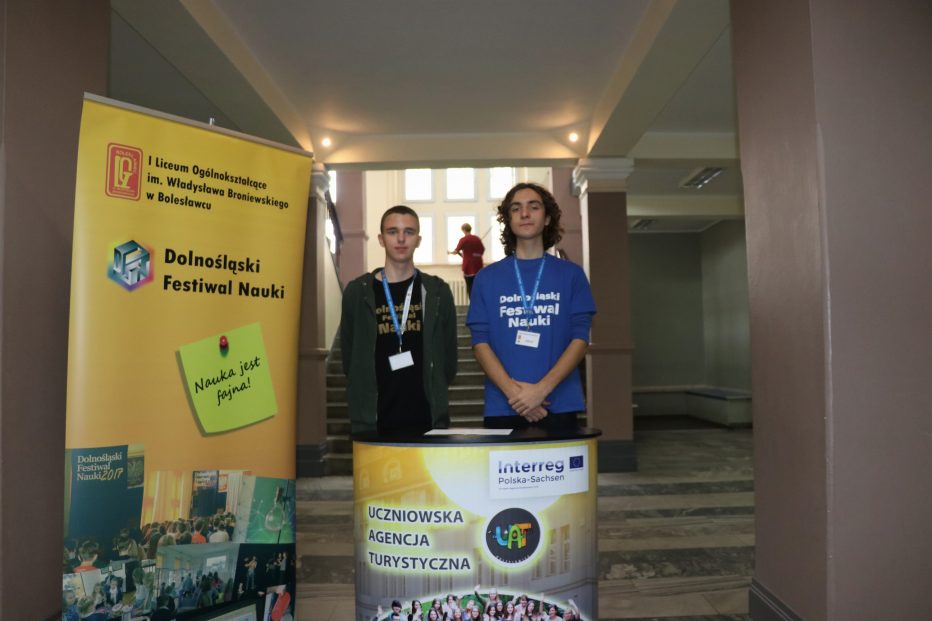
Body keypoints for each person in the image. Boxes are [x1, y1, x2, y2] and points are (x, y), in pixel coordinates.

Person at [466, 183, 596, 428]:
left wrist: (540, 391)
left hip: (559, 403)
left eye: (533, 207)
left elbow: (580, 338)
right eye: (516, 209)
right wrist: (516, 395)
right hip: (504, 404)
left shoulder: (572, 275)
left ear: (547, 218)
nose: (524, 214)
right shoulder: (486, 278)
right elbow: (480, 343)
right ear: (509, 220)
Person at [341, 205, 458, 435]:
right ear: (381, 239)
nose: (401, 239)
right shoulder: (357, 293)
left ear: (418, 240)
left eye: (409, 232)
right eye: (393, 231)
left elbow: (449, 362)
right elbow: (350, 360)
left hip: (428, 421)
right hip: (372, 423)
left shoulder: (437, 292)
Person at [449, 222, 485, 299]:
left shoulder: (463, 239)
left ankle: (473, 304)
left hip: (468, 267)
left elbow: (456, 251)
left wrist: (450, 253)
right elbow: (482, 250)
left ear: (464, 230)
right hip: (478, 266)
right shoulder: (477, 239)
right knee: (479, 288)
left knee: (470, 288)